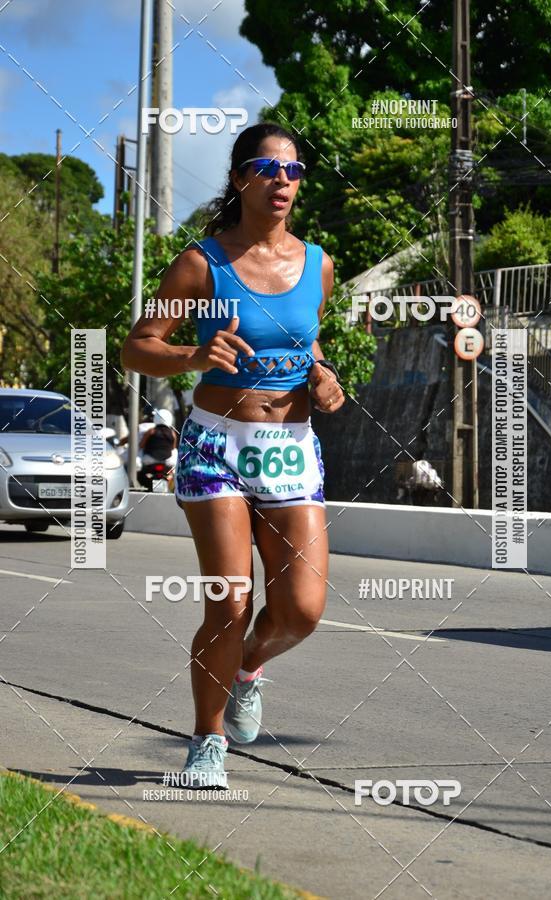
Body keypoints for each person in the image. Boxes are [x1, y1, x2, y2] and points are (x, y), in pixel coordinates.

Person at [121, 122, 344, 787]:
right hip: (217, 442)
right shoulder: (202, 262)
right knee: (230, 600)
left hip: (291, 448)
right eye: (267, 169)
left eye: (294, 171)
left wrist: (323, 376)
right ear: (241, 179)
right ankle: (206, 742)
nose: (282, 181)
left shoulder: (319, 263)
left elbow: (310, 345)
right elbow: (138, 346)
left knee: (302, 610)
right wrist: (193, 354)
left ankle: (247, 669)